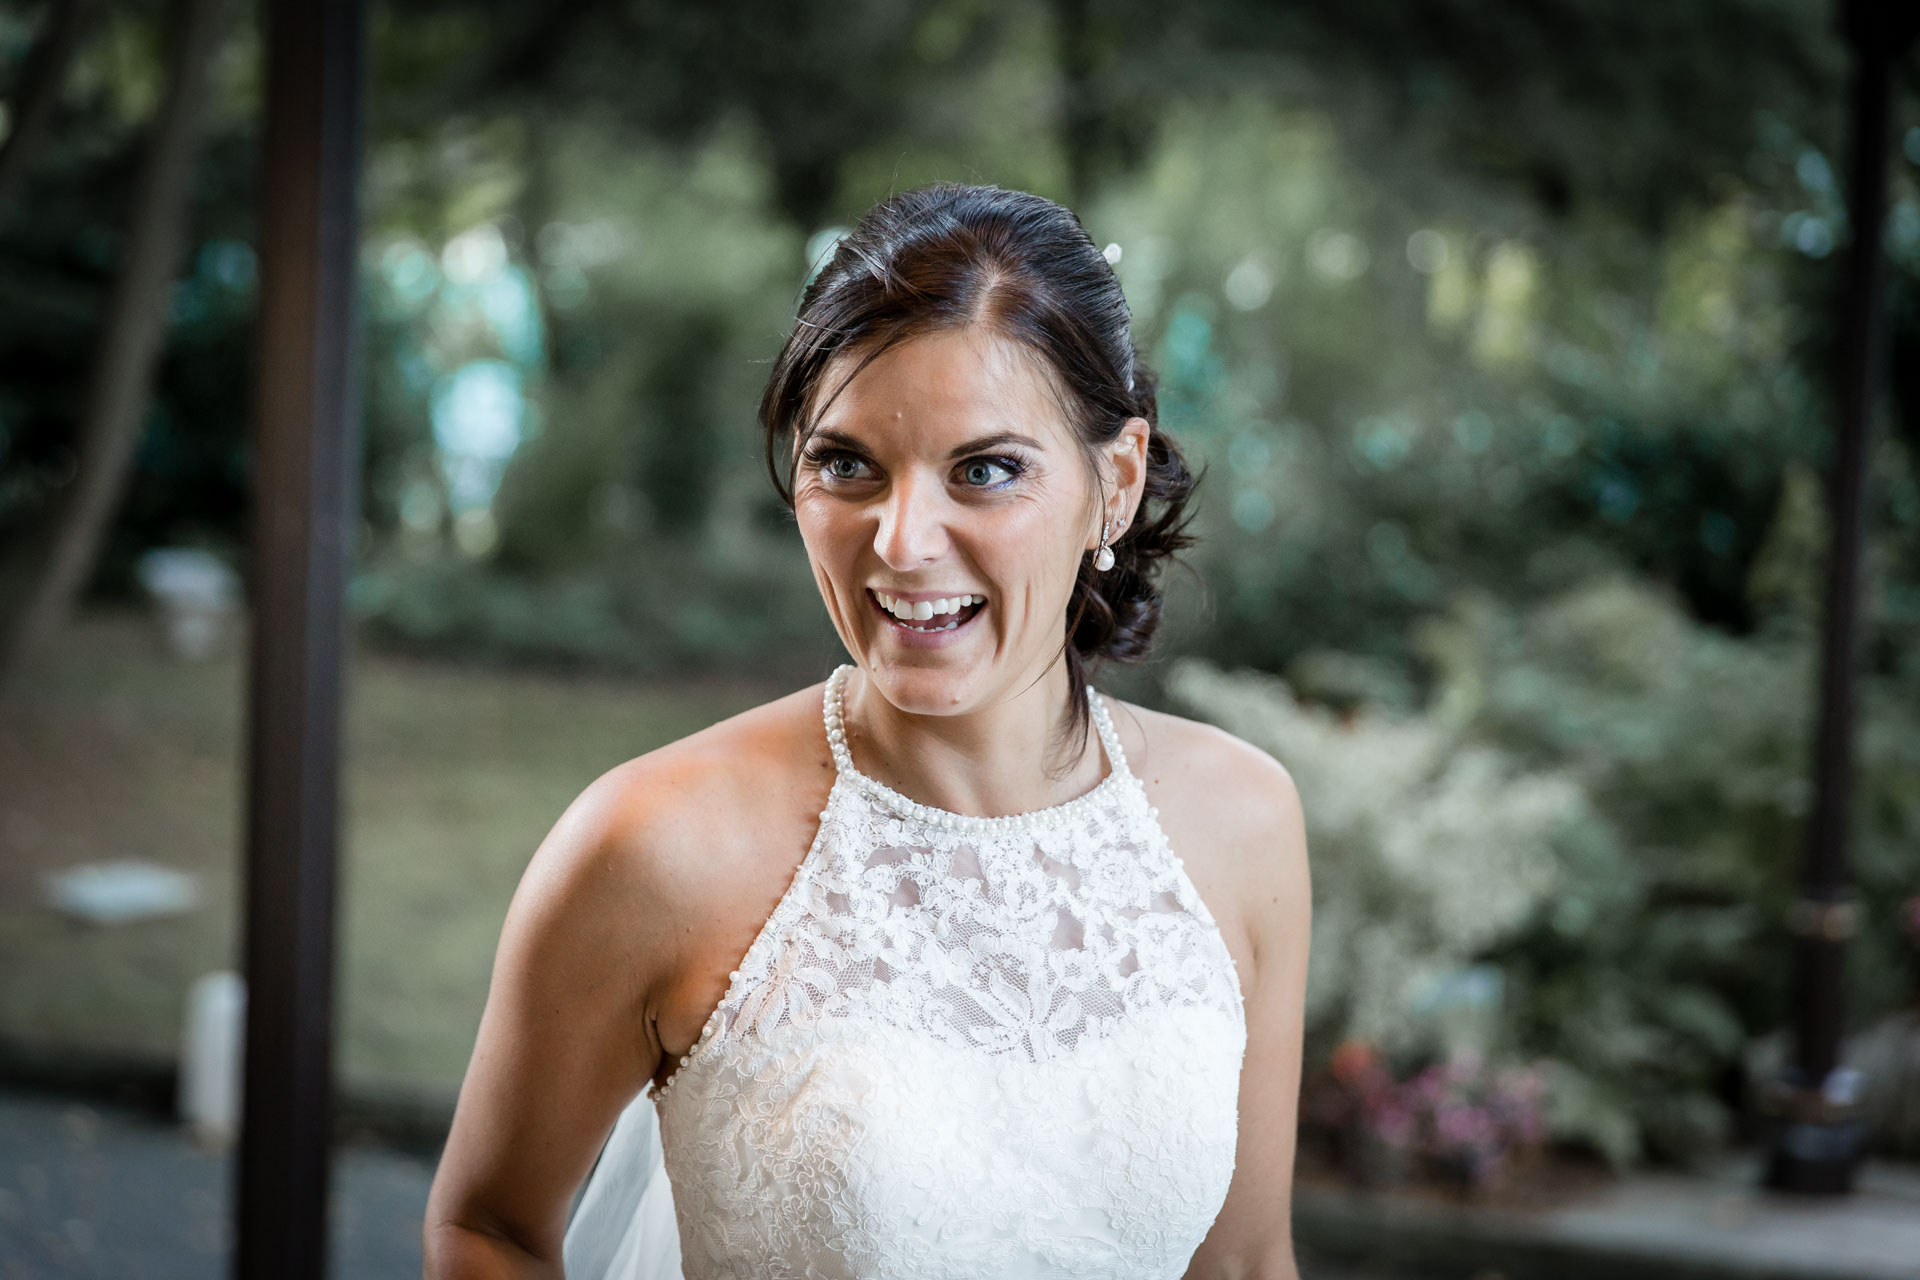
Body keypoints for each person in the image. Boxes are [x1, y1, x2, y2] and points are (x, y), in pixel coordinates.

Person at [423, 182, 1312, 1280]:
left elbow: (1244, 1261)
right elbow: (490, 1231)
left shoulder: (1243, 819)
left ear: (1114, 483)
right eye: (846, 463)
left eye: (985, 468)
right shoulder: (652, 844)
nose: (902, 541)